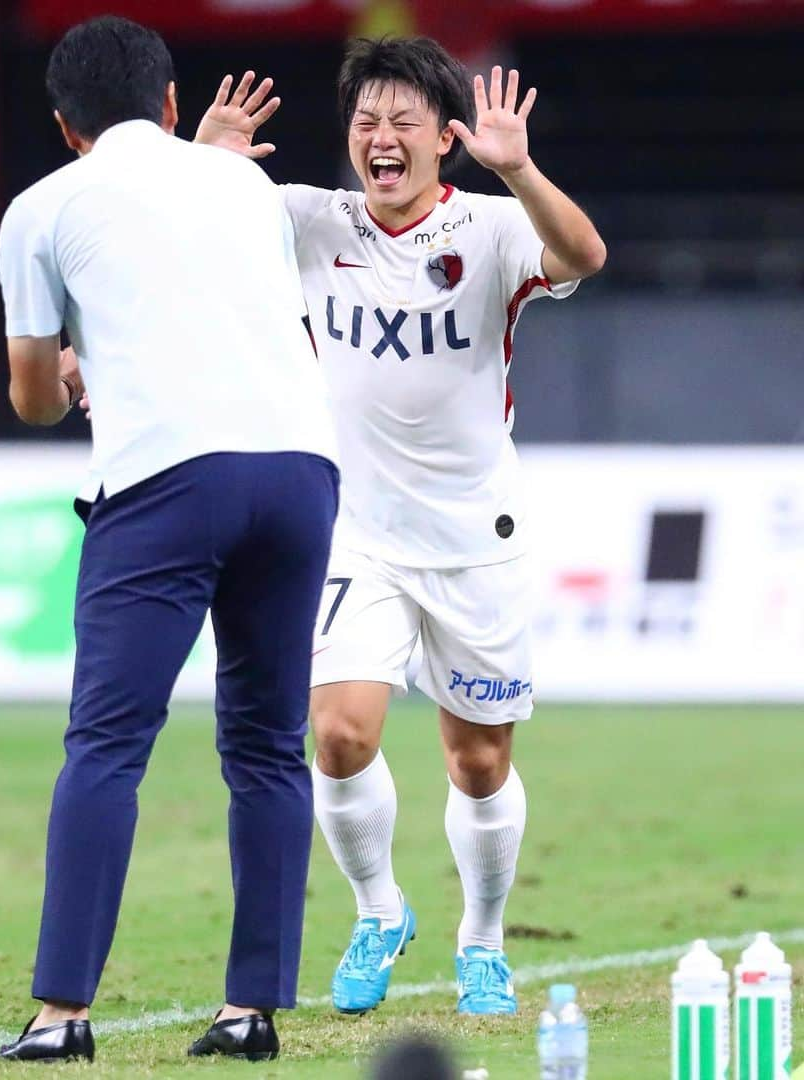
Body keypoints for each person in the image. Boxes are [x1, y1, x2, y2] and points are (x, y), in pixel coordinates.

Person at [196, 39, 605, 1016]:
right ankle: (379, 910)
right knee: (336, 736)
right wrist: (204, 166)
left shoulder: (497, 228)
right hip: (352, 532)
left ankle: (483, 939)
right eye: (365, 122)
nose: (381, 139)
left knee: (480, 761)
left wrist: (521, 166)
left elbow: (585, 255)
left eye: (402, 123)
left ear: (444, 141)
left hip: (473, 536)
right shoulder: (307, 219)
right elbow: (178, 235)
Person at [0, 16, 339, 1063]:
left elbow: (31, 399)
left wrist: (68, 373)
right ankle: (251, 1011)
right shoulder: (240, 184)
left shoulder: (42, 206)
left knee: (106, 747)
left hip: (165, 480)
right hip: (299, 469)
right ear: (173, 104)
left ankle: (62, 1015)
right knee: (269, 746)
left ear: (64, 126)